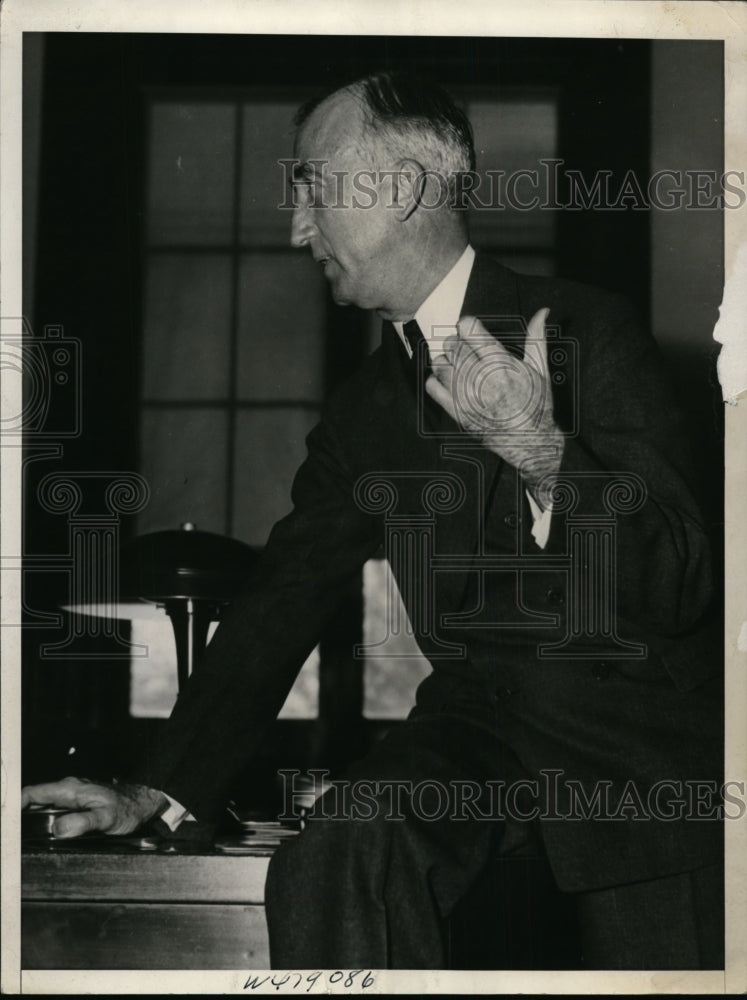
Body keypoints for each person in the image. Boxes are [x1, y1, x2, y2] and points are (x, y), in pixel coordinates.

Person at [22, 72, 723, 970]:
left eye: (310, 189)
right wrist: (157, 789)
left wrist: (540, 448)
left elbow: (682, 584)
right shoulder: (363, 411)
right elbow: (283, 599)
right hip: (473, 744)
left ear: (398, 190)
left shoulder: (595, 330)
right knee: (333, 854)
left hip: (639, 770)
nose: (294, 228)